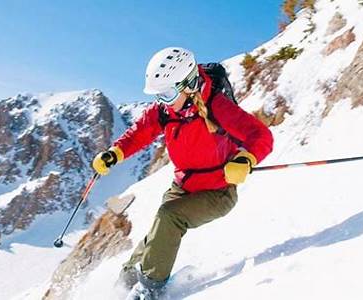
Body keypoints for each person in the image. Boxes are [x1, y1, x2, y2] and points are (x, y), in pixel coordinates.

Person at [92, 47, 273, 298]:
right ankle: (126, 282)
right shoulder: (166, 110)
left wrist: (245, 158)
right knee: (157, 234)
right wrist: (115, 153)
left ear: (189, 84)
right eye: (158, 95)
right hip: (183, 187)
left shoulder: (215, 106)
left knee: (169, 217)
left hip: (217, 191)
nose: (161, 101)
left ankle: (149, 290)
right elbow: (141, 132)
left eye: (166, 93)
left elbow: (260, 135)